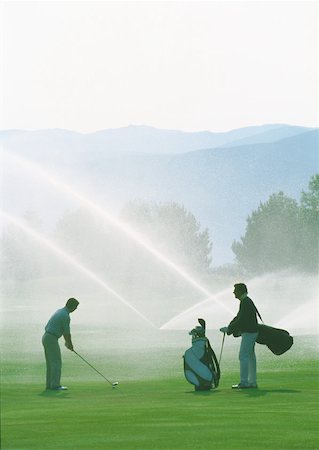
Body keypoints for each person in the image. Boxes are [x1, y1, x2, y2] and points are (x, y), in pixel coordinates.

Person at [220, 283, 259, 389]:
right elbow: (238, 317)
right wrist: (229, 327)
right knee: (250, 357)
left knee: (243, 356)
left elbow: (241, 319)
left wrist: (229, 329)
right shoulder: (246, 301)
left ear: (241, 291)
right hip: (251, 331)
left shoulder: (245, 302)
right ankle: (252, 382)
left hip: (249, 332)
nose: (234, 292)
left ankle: (244, 382)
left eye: (235, 290)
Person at [42, 298, 79, 390]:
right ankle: (55, 385)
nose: (76, 309)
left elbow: (62, 330)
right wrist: (69, 344)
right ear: (72, 306)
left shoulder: (60, 311)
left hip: (47, 337)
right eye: (76, 307)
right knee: (56, 362)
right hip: (51, 338)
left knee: (51, 363)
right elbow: (66, 333)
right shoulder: (65, 315)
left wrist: (67, 343)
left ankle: (50, 385)